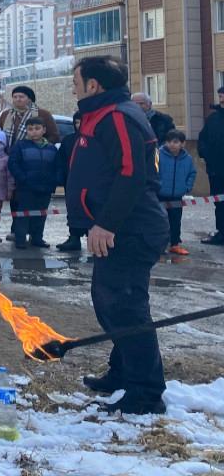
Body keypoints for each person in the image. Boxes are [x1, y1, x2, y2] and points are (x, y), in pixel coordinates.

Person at [66, 55, 168, 415]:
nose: (73, 86)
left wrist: (106, 224)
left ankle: (146, 392)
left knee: (125, 308)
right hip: (116, 229)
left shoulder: (118, 116)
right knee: (112, 305)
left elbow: (130, 175)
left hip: (130, 229)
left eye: (76, 80)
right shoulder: (101, 114)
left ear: (94, 85)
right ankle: (123, 371)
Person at [0, 85, 60, 246]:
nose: (18, 100)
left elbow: (54, 135)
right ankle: (18, 233)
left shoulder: (42, 114)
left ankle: (35, 235)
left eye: (22, 97)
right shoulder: (6, 115)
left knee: (38, 207)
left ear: (29, 99)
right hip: (15, 163)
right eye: (15, 96)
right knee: (17, 200)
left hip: (37, 164)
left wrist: (38, 148)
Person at [7, 117, 59, 249]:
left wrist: (53, 181)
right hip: (26, 187)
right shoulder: (20, 146)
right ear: (26, 131)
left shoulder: (51, 148)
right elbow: (13, 164)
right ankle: (20, 239)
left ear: (44, 130)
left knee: (41, 214)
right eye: (30, 129)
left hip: (45, 188)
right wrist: (23, 179)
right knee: (23, 214)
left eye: (37, 129)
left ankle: (37, 238)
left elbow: (57, 167)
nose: (33, 132)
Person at [158, 129, 195, 256]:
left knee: (175, 220)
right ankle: (159, 245)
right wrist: (158, 185)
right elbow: (153, 172)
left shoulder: (187, 159)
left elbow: (192, 173)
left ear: (182, 144)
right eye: (169, 142)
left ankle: (174, 244)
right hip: (161, 195)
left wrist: (186, 187)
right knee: (161, 221)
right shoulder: (158, 155)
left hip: (177, 196)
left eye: (175, 142)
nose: (172, 145)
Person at [196, 87, 224, 245]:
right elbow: (203, 139)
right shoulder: (213, 119)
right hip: (216, 170)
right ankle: (222, 232)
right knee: (219, 203)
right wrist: (205, 153)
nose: (221, 99)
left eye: (223, 95)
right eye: (220, 95)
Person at [56, 112, 86, 252]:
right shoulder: (68, 140)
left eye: (83, 121)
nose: (80, 125)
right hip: (71, 181)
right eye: (77, 122)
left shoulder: (96, 139)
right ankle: (74, 237)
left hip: (91, 182)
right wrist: (61, 179)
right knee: (73, 209)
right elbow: (60, 161)